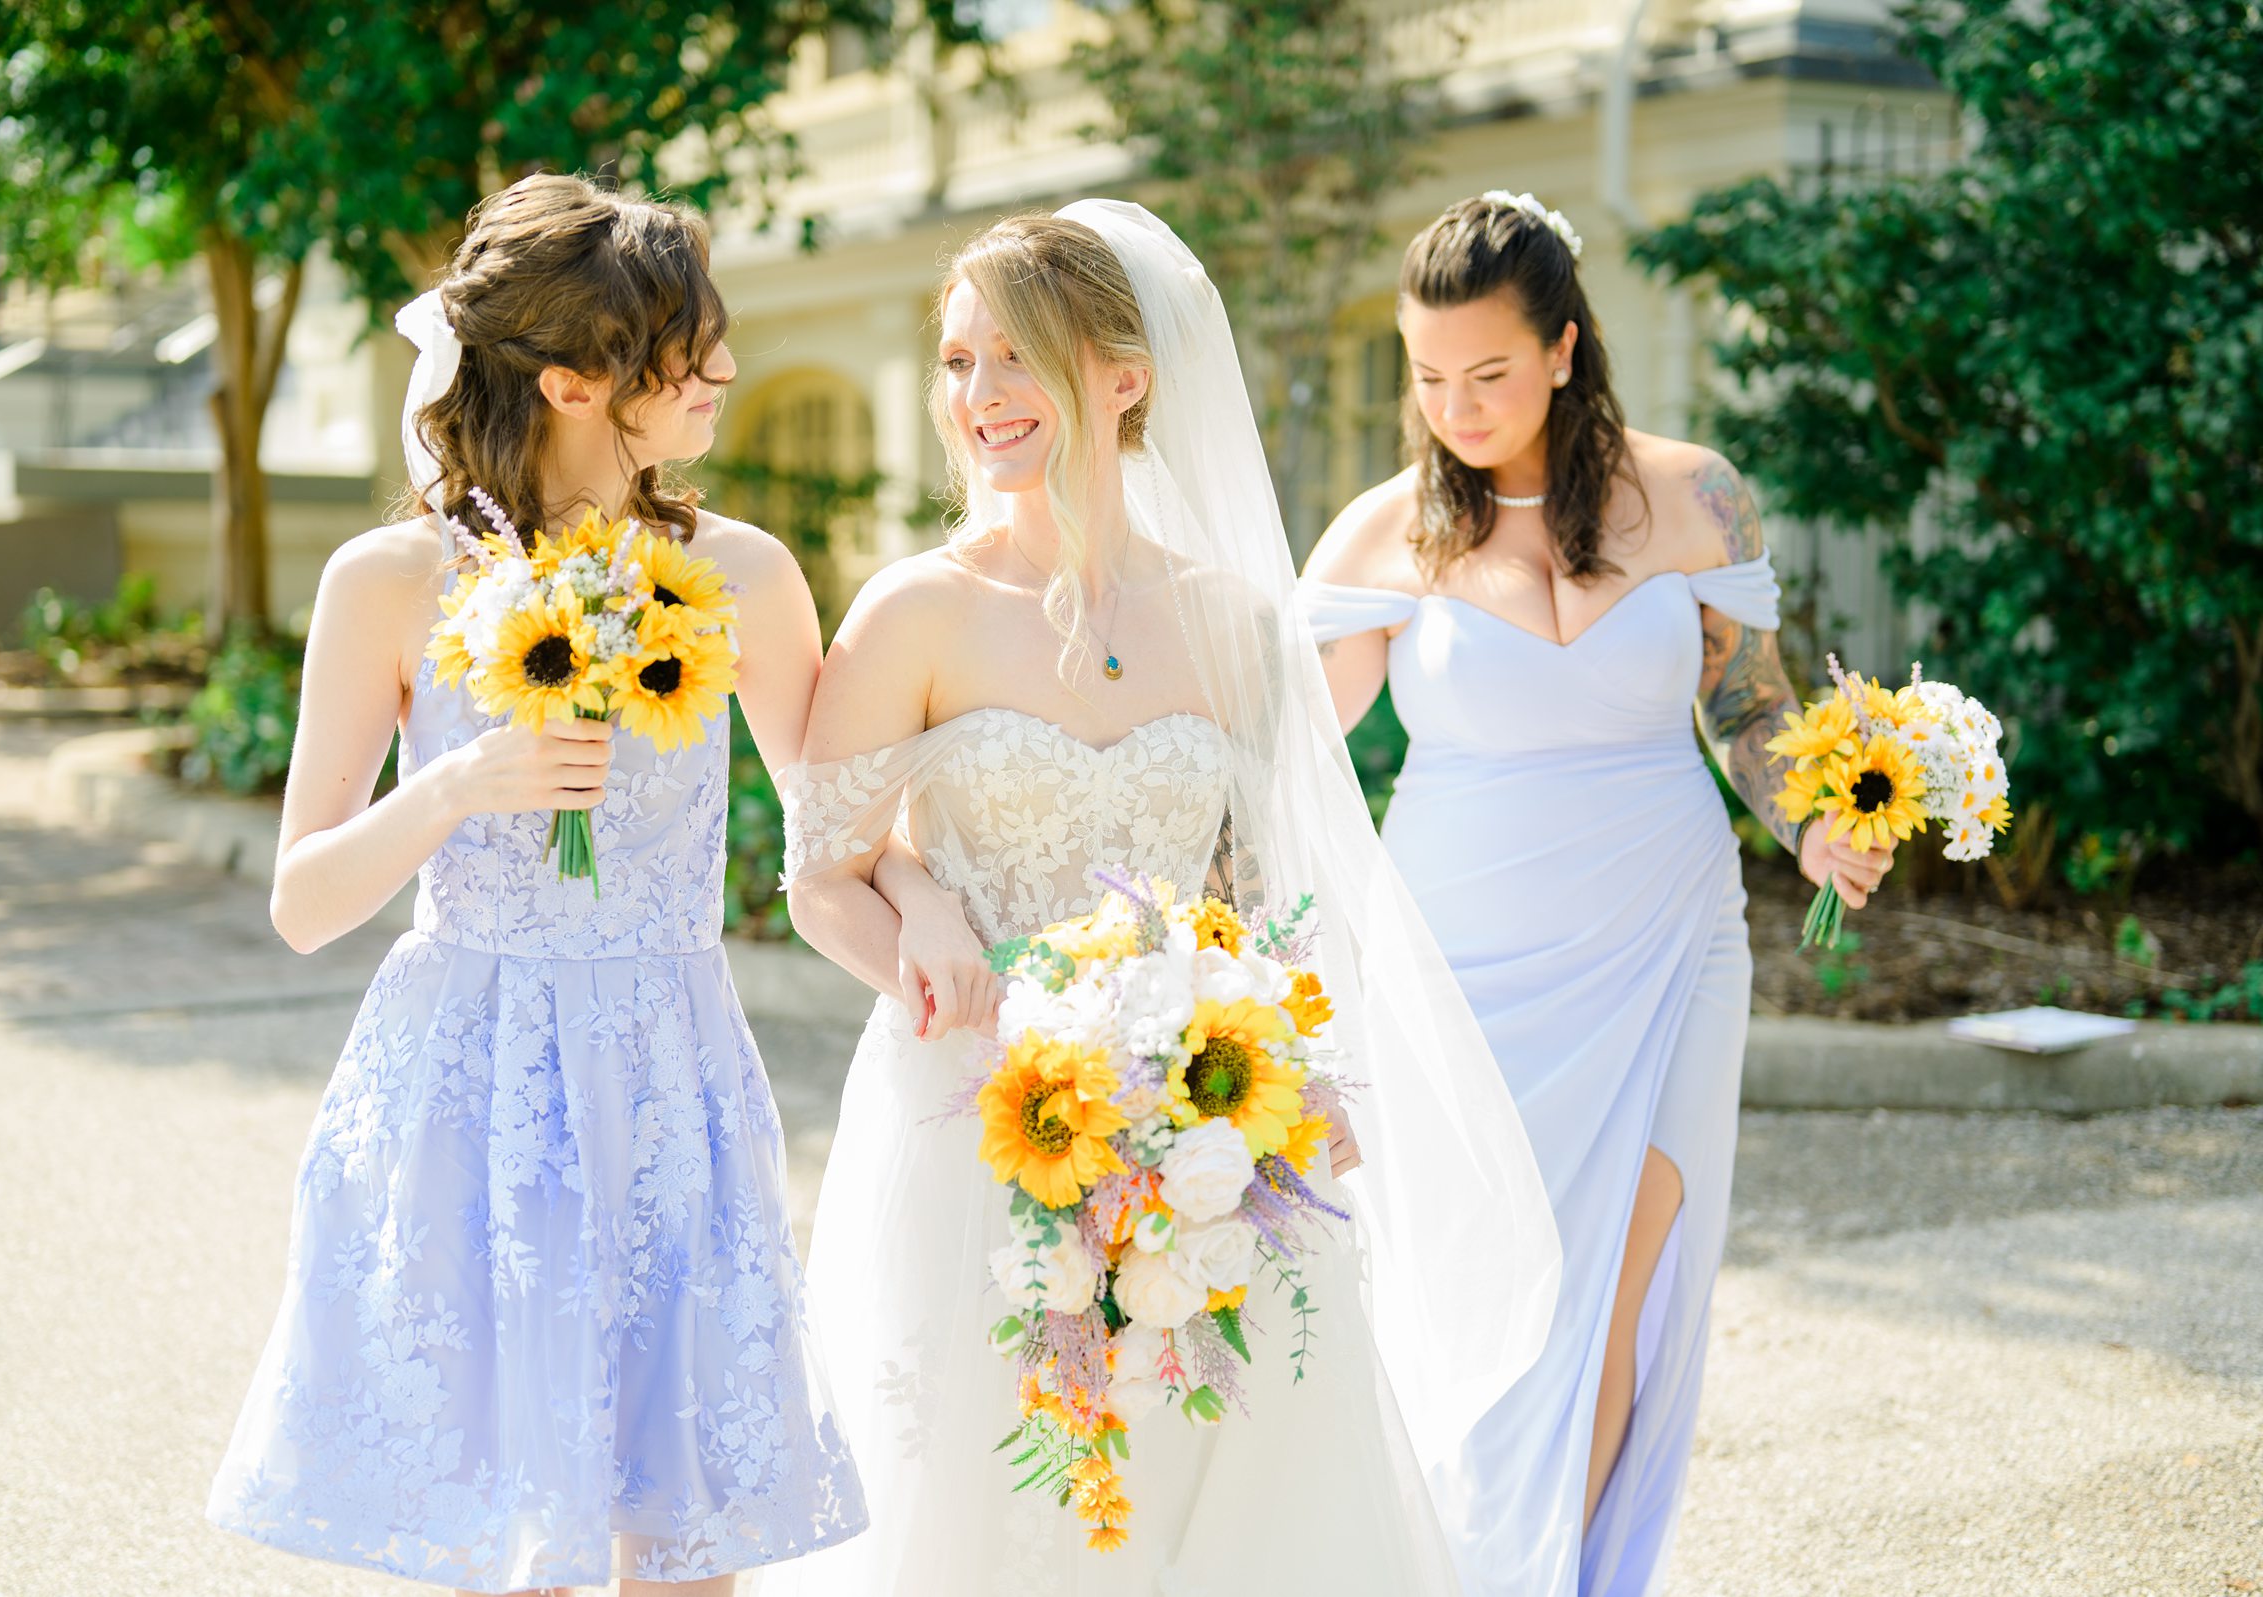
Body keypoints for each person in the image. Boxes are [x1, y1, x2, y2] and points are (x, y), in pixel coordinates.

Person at [752, 201, 1559, 1597]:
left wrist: (1289, 1081)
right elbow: (817, 869)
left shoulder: (1233, 623)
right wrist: (924, 932)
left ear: (1124, 374)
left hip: (1200, 1126)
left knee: (1211, 1474)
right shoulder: (913, 613)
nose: (980, 396)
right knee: (994, 1487)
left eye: (1016, 357)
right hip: (978, 1118)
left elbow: (1260, 894)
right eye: (957, 362)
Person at [207, 173, 863, 1594]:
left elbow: (843, 822)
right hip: (473, 1085)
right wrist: (457, 785)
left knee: (686, 1538)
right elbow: (304, 900)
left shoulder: (745, 573)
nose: (724, 375)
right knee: (518, 1551)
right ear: (571, 380)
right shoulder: (386, 580)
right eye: (683, 355)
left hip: (672, 1072)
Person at [1300, 191, 1894, 1596]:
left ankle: (1564, 1575)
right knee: (1492, 1286)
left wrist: (1812, 827)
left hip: (1663, 931)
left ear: (1566, 347)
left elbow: (1752, 709)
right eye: (1430, 377)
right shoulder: (1383, 538)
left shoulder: (1697, 497)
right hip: (1461, 956)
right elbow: (1281, 772)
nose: (1457, 406)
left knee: (1619, 1268)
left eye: (1489, 373)